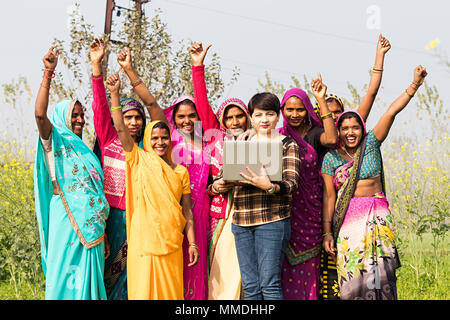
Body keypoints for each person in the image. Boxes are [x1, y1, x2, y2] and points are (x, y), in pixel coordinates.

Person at [321, 65, 428, 300]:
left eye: (355, 127)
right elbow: (329, 197)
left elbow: (390, 112)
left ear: (362, 129)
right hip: (348, 222)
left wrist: (415, 85)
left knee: (382, 274)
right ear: (338, 131)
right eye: (345, 128)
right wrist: (327, 233)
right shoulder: (330, 158)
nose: (350, 132)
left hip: (377, 216)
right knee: (352, 275)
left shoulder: (370, 145)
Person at [105, 73, 198, 300]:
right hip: (143, 243)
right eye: (154, 138)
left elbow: (187, 211)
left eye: (164, 137)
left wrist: (192, 243)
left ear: (170, 140)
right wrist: (115, 94)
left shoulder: (180, 171)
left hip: (172, 243)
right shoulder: (138, 159)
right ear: (147, 139)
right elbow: (120, 127)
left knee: (171, 293)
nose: (159, 142)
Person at [89, 38, 166, 299]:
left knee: (133, 279)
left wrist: (130, 71)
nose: (132, 122)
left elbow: (156, 111)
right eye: (128, 117)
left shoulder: (147, 149)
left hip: (139, 220)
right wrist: (96, 68)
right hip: (110, 219)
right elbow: (100, 107)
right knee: (106, 276)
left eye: (137, 118)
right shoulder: (110, 139)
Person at [318, 34, 391, 300]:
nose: (337, 118)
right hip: (331, 213)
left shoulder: (357, 136)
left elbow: (371, 93)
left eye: (339, 112)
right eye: (329, 113)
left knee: (375, 277)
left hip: (363, 213)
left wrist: (379, 57)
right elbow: (329, 194)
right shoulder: (319, 140)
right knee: (341, 276)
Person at [34, 45, 109, 300]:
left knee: (90, 282)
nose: (80, 120)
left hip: (94, 229)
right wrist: (48, 73)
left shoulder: (87, 153)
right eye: (74, 115)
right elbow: (39, 114)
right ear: (62, 118)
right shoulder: (53, 142)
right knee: (63, 276)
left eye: (81, 115)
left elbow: (96, 195)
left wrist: (104, 234)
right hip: (65, 218)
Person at [216, 92, 301, 300]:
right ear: (251, 117)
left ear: (278, 116)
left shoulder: (287, 144)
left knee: (269, 285)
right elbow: (223, 176)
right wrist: (220, 184)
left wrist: (270, 186)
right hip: (241, 222)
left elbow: (291, 183)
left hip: (272, 221)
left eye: (270, 114)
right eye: (259, 114)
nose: (264, 120)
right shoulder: (241, 141)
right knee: (250, 286)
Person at [189, 42, 250, 299]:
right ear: (222, 120)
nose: (234, 122)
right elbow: (201, 103)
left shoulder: (255, 143)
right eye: (229, 117)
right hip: (218, 215)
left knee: (241, 276)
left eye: (239, 116)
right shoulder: (215, 138)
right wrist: (198, 66)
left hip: (248, 214)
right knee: (217, 274)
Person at [279, 74, 338, 300]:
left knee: (310, 273)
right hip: (287, 212)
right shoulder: (279, 136)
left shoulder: (314, 134)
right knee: (285, 273)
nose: (294, 115)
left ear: (307, 111)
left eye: (300, 110)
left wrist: (321, 99)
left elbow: (332, 139)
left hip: (312, 213)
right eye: (289, 110)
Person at [162, 79, 211, 300]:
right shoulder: (166, 145)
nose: (187, 120)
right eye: (181, 116)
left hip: (201, 213)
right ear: (173, 118)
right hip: (172, 214)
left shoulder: (207, 144)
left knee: (197, 264)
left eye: (192, 115)